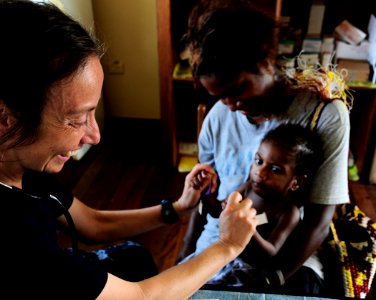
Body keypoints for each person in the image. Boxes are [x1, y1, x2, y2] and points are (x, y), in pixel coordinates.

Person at [0, 1, 259, 299]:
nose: (94, 136)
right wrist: (227, 245)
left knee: (134, 257)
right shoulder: (16, 237)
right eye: (76, 119)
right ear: (5, 117)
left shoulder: (19, 162)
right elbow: (141, 297)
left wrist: (176, 208)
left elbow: (92, 224)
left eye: (92, 113)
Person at [182, 0, 351, 296]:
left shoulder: (322, 114)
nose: (232, 106)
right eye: (220, 97)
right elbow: (206, 204)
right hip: (217, 249)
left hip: (287, 258)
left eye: (237, 89)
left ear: (264, 60)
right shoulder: (217, 120)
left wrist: (275, 279)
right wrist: (182, 257)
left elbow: (318, 224)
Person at [187, 123, 323, 291]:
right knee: (188, 281)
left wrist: (247, 229)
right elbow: (218, 212)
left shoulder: (287, 212)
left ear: (296, 182)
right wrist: (207, 194)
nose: (261, 172)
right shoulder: (248, 188)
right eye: (259, 161)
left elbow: (271, 251)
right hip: (225, 252)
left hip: (249, 269)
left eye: (275, 169)